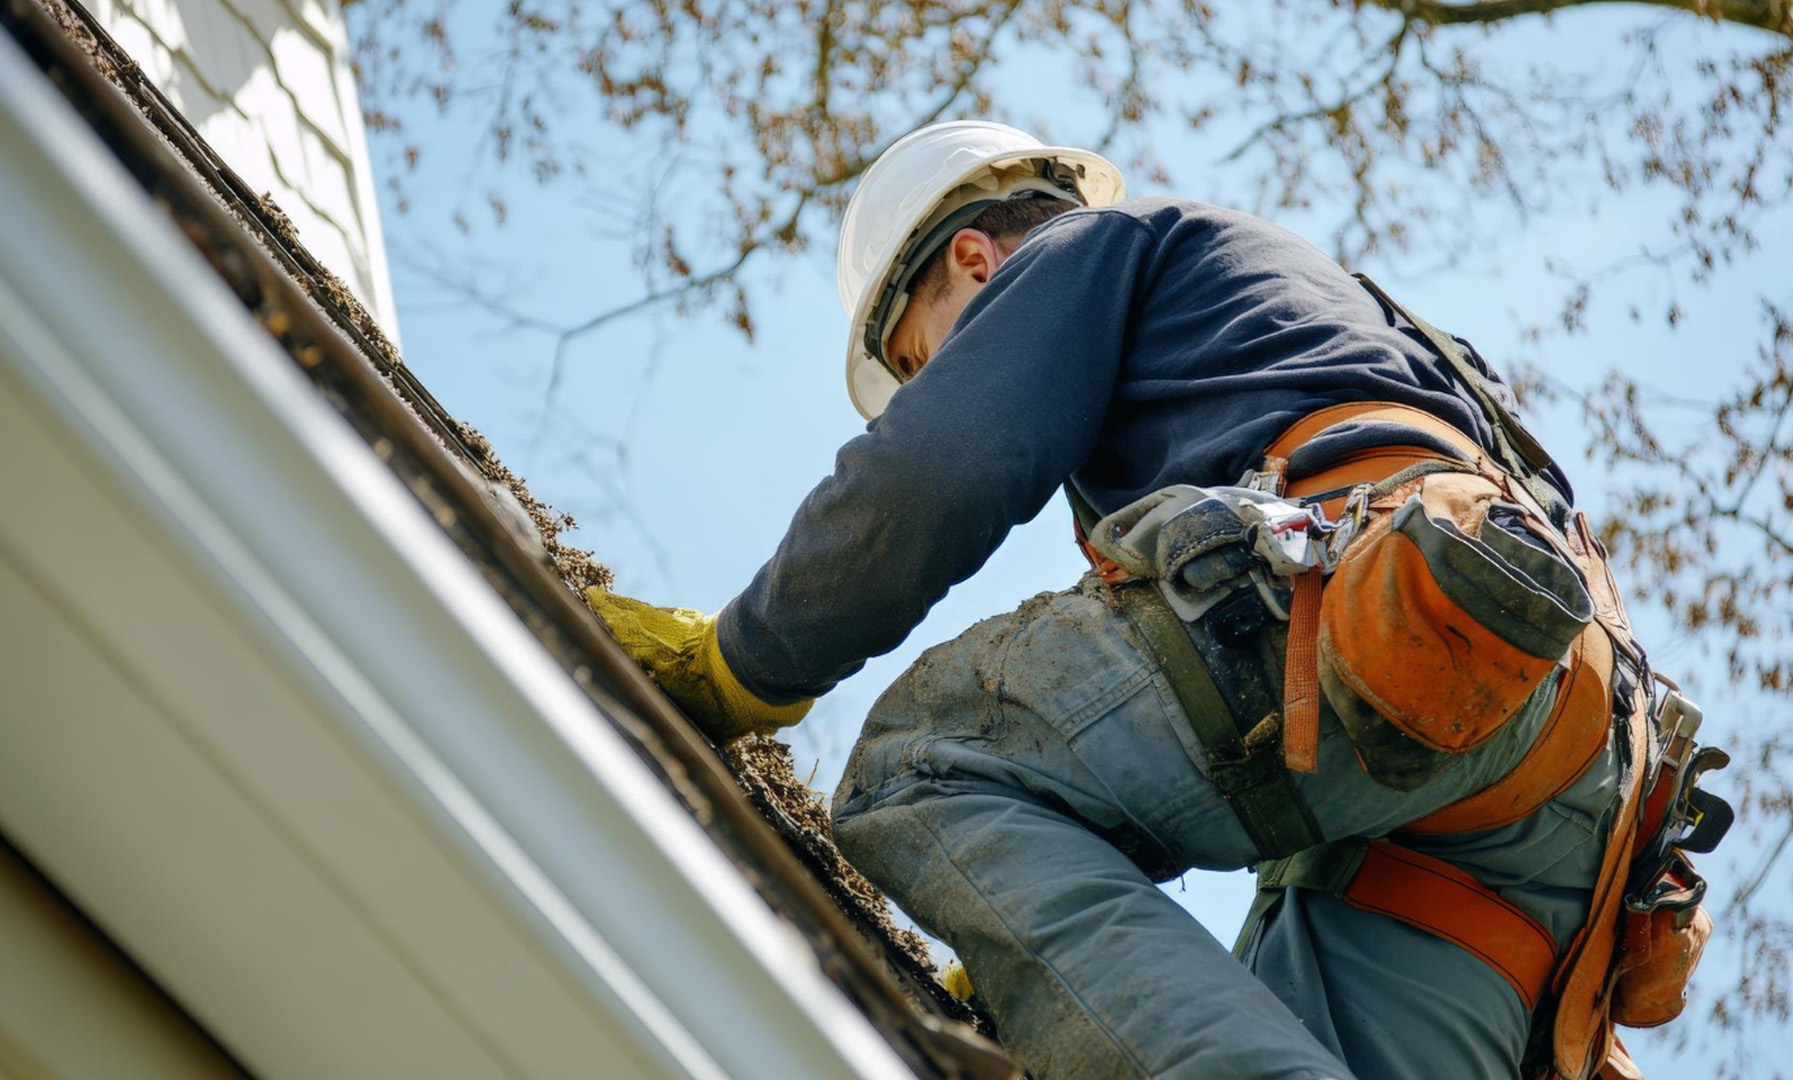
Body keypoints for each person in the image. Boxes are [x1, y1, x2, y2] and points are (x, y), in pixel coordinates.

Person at [587, 120, 1690, 1080]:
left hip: (1379, 613)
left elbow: (943, 465)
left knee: (927, 765)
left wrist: (748, 662)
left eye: (927, 362)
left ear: (975, 260)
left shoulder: (1094, 247)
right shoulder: (1327, 325)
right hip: (1565, 767)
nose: (946, 383)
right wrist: (1044, 951)